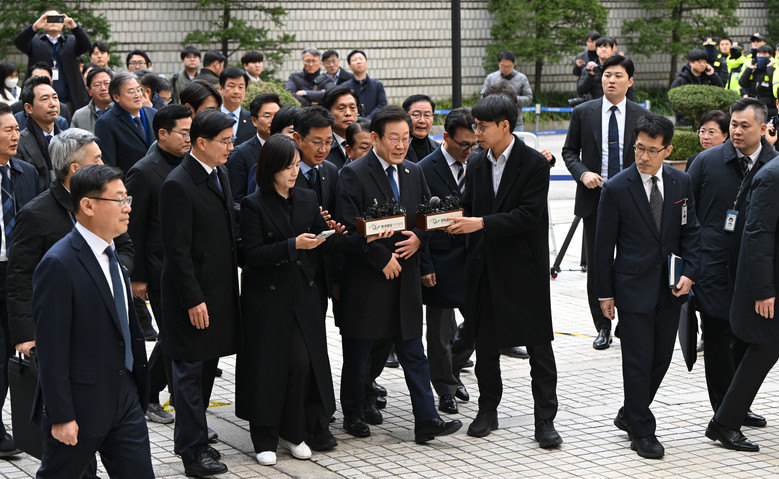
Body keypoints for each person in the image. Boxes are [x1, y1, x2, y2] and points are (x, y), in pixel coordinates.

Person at [236, 134, 372, 465]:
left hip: (304, 296)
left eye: (297, 165)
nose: (294, 172)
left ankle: (294, 431)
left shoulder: (307, 197)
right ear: (271, 168)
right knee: (268, 367)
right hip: (267, 301)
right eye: (287, 166)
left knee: (302, 364)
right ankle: (264, 437)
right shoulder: (253, 204)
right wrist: (292, 245)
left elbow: (325, 242)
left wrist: (362, 239)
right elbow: (250, 254)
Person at [334, 106, 462, 443]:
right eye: (394, 138)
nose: (401, 145)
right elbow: (347, 227)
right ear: (375, 138)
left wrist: (420, 238)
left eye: (405, 138)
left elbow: (426, 214)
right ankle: (352, 411)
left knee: (413, 352)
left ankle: (427, 420)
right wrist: (380, 258)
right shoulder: (353, 174)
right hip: (368, 280)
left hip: (405, 278)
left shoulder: (412, 171)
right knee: (359, 351)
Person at [444, 96, 561, 448]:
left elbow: (528, 215)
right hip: (485, 267)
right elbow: (471, 207)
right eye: (475, 126)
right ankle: (487, 410)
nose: (476, 133)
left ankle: (545, 420)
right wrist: (450, 220)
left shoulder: (534, 164)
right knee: (486, 347)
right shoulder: (478, 163)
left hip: (524, 269)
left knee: (539, 349)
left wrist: (479, 223)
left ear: (504, 126)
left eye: (482, 127)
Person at [31, 164, 152, 478]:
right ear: (87, 205)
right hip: (81, 402)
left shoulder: (114, 256)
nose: (127, 208)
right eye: (119, 200)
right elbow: (51, 348)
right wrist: (61, 415)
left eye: (128, 199)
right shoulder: (59, 263)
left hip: (125, 395)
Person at [595, 114, 700, 459]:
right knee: (637, 362)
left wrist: (690, 273)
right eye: (639, 148)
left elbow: (691, 232)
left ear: (667, 150)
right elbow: (602, 247)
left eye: (652, 150)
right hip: (632, 289)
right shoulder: (616, 188)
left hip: (670, 288)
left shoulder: (682, 182)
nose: (643, 156)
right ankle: (642, 431)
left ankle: (630, 412)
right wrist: (604, 294)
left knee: (661, 359)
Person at [688, 98, 776, 438]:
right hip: (712, 266)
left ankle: (737, 405)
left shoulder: (771, 164)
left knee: (746, 337)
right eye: (734, 125)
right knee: (717, 338)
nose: (737, 132)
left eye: (744, 126)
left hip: (751, 269)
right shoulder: (707, 162)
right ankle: (723, 411)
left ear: (763, 129)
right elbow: (686, 215)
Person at [159, 109, 240, 477]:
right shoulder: (178, 184)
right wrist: (192, 299)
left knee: (206, 368)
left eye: (231, 140)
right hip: (191, 297)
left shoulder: (219, 173)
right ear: (201, 142)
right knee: (189, 374)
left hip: (218, 291)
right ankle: (192, 453)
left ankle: (197, 439)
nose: (230, 147)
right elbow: (176, 251)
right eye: (224, 141)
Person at [562, 55, 650, 350]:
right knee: (599, 264)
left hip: (632, 199)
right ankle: (602, 326)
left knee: (631, 261)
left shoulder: (641, 115)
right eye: (607, 75)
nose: (611, 80)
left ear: (630, 81)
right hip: (595, 199)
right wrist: (582, 173)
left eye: (618, 75)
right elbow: (569, 151)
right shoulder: (583, 112)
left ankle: (627, 321)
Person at [705, 124, 779, 452]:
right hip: (767, 286)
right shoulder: (772, 176)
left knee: (761, 349)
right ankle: (724, 422)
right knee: (762, 349)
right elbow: (757, 235)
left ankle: (725, 418)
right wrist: (763, 291)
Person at [126, 105, 194, 425]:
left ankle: (148, 392)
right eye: (184, 133)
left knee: (173, 336)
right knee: (172, 335)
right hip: (157, 268)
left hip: (187, 266)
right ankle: (154, 396)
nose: (189, 139)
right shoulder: (143, 171)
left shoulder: (190, 164)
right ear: (162, 134)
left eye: (192, 132)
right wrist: (138, 276)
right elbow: (133, 228)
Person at [418, 108, 477, 415]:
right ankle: (444, 388)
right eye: (463, 144)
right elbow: (419, 222)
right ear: (446, 137)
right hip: (440, 259)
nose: (468, 150)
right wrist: (425, 265)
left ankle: (452, 369)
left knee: (479, 323)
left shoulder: (479, 164)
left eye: (473, 144)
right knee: (439, 333)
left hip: (472, 257)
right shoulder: (424, 169)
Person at [0, 102, 39, 457]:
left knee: (20, 347)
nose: (17, 136)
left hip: (19, 272)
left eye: (17, 129)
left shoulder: (25, 172)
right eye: (8, 130)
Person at [14, 9, 91, 110]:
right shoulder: (35, 41)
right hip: (40, 101)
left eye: (57, 19)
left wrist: (75, 27)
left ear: (62, 23)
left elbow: (87, 45)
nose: (53, 22)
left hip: (70, 100)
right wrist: (34, 27)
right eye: (49, 19)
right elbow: (19, 43)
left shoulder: (71, 41)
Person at [93, 71, 156, 171]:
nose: (137, 95)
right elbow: (108, 166)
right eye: (131, 92)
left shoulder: (153, 113)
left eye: (139, 90)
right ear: (116, 97)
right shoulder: (106, 123)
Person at [227, 93, 281, 202]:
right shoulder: (240, 154)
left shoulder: (291, 149)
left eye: (277, 116)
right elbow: (235, 200)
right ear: (254, 121)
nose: (273, 120)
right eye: (267, 116)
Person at [16, 76, 62, 192]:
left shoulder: (69, 140)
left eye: (55, 97)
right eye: (45, 99)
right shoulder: (18, 143)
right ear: (28, 108)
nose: (53, 104)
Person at [480, 51, 532, 131]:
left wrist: (511, 99)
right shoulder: (491, 78)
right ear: (499, 64)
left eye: (509, 66)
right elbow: (482, 97)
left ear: (513, 64)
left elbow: (529, 98)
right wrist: (496, 99)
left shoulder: (522, 78)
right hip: (494, 122)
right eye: (503, 66)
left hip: (516, 122)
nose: (506, 69)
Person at [320, 85, 359, 169]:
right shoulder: (322, 147)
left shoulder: (367, 142)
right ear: (327, 113)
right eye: (341, 108)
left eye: (352, 108)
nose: (348, 113)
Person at [344, 50, 387, 119]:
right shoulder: (345, 87)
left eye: (361, 59)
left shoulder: (377, 85)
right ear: (350, 67)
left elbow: (382, 104)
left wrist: (368, 119)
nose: (358, 62)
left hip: (373, 122)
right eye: (354, 60)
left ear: (366, 63)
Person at [71, 66, 113, 132]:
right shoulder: (79, 116)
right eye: (97, 84)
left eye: (106, 83)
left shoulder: (124, 111)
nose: (103, 88)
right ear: (89, 91)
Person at [739, 45, 777, 117]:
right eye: (759, 54)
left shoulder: (774, 70)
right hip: (753, 108)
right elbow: (742, 83)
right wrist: (749, 69)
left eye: (764, 54)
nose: (761, 56)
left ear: (770, 56)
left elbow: (773, 85)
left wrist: (769, 68)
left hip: (769, 110)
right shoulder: (754, 70)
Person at [219, 67, 253, 145]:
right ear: (221, 89)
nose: (236, 91)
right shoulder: (210, 117)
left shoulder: (252, 120)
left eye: (241, 87)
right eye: (231, 86)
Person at [403, 94, 438, 162]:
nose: (422, 121)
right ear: (405, 116)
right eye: (416, 114)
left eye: (427, 115)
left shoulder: (438, 150)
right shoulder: (397, 148)